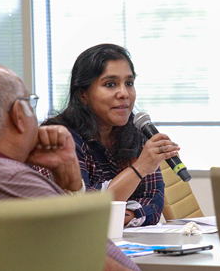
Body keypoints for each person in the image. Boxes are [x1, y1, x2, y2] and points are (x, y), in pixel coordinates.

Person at [0, 63, 142, 271]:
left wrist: (67, 182)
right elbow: (123, 269)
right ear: (19, 114)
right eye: (31, 103)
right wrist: (68, 184)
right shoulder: (12, 181)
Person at [37, 44, 180, 227]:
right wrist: (140, 168)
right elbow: (82, 211)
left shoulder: (137, 131)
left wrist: (112, 217)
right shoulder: (59, 137)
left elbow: (153, 204)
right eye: (110, 84)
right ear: (83, 95)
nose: (124, 93)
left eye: (129, 83)